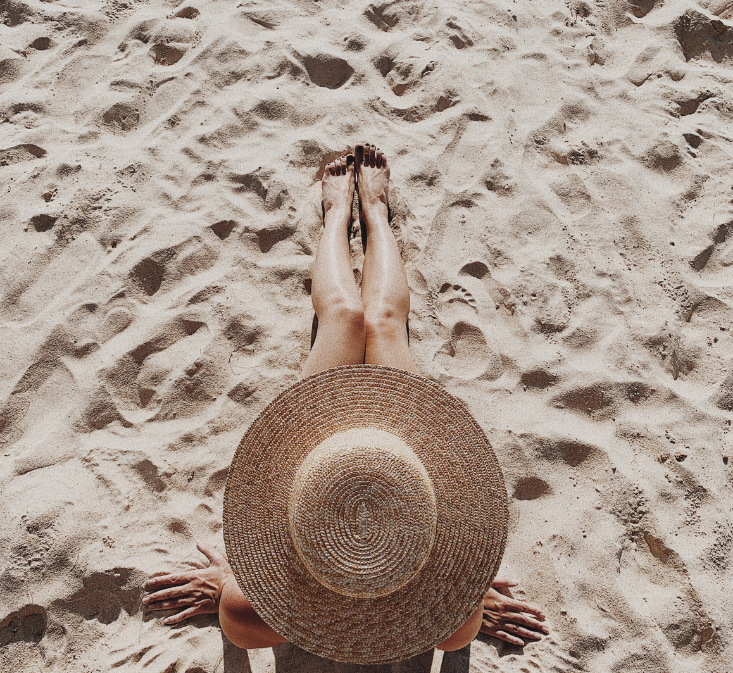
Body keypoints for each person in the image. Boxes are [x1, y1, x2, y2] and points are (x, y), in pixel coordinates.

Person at [143, 143, 549, 653]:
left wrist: (231, 581)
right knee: (380, 325)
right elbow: (458, 633)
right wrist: (460, 594)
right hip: (400, 458)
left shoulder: (244, 617)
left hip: (318, 457)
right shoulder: (456, 628)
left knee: (345, 319)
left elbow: (232, 607)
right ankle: (375, 214)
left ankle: (338, 214)